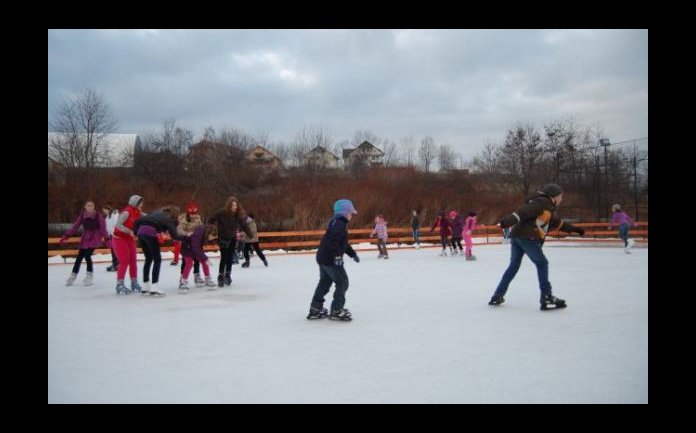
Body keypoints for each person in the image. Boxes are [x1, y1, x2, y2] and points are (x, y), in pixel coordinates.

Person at [489, 183, 585, 310]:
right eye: (560, 196)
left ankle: (497, 295)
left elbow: (557, 223)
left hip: (518, 236)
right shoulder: (541, 202)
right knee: (542, 263)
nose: (561, 199)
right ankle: (546, 296)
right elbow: (522, 213)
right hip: (528, 237)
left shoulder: (547, 209)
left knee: (514, 266)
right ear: (554, 197)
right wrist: (507, 221)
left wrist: (575, 229)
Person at [306, 199, 360, 321]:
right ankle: (336, 310)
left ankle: (316, 308)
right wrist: (337, 256)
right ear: (345, 213)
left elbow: (343, 243)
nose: (352, 215)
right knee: (342, 282)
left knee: (325, 282)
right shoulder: (340, 224)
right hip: (331, 260)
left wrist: (352, 254)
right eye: (351, 213)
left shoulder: (336, 222)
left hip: (323, 257)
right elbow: (334, 242)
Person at [133, 205, 190, 297]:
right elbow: (175, 236)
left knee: (148, 259)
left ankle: (145, 287)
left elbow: (137, 220)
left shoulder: (154, 213)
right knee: (157, 259)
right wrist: (186, 237)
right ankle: (154, 287)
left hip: (141, 232)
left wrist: (136, 232)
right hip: (150, 232)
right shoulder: (168, 219)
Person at [208, 196, 253, 287]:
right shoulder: (221, 213)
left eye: (236, 205)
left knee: (230, 258)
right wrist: (214, 230)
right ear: (229, 205)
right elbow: (210, 220)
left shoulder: (238, 215)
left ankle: (228, 275)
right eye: (233, 205)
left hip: (232, 238)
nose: (234, 207)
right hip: (223, 238)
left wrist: (250, 234)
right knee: (224, 257)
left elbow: (244, 225)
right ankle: (221, 275)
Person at [61, 200, 108, 286]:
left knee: (87, 255)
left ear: (94, 207)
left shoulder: (98, 216)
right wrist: (66, 235)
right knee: (79, 258)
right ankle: (73, 276)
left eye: (91, 206)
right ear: (85, 207)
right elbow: (76, 226)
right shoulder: (83, 215)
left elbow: (103, 228)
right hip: (85, 238)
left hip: (94, 238)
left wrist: (107, 239)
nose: (90, 207)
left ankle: (89, 277)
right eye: (88, 206)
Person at [112, 195, 144, 294]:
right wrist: (129, 231)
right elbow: (118, 224)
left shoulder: (138, 212)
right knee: (124, 261)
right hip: (119, 239)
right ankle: (120, 284)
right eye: (140, 203)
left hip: (130, 239)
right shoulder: (126, 212)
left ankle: (134, 282)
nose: (142, 205)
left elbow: (147, 217)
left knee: (133, 261)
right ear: (135, 203)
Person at [102, 205, 120, 272]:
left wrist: (113, 233)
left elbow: (116, 224)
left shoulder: (114, 214)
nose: (105, 212)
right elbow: (107, 227)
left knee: (115, 250)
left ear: (109, 209)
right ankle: (115, 263)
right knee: (112, 250)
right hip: (110, 235)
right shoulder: (107, 217)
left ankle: (118, 264)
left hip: (115, 234)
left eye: (106, 210)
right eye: (104, 211)